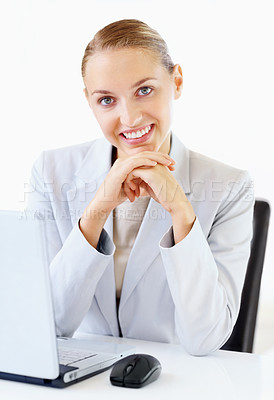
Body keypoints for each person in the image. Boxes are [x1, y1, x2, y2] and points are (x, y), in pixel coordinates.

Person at [27, 19, 254, 356]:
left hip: (173, 378)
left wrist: (181, 211)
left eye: (144, 90)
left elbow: (204, 339)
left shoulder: (229, 187)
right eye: (107, 100)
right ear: (89, 101)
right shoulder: (51, 172)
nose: (130, 118)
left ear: (176, 82)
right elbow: (47, 326)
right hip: (80, 377)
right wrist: (97, 211)